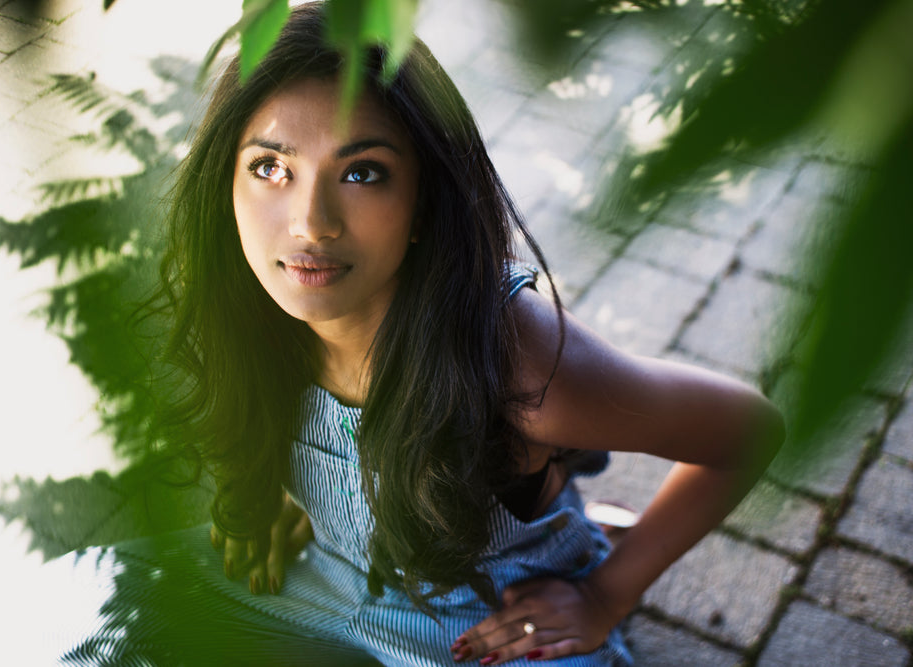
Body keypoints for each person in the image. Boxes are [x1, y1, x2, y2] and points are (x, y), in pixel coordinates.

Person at [60, 3, 785, 665]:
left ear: (424, 199)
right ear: (226, 180)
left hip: (486, 626)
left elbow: (747, 429)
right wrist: (271, 493)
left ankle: (582, 537)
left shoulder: (518, 364)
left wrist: (606, 594)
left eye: (364, 171)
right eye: (271, 167)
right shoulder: (250, 309)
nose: (310, 223)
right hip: (312, 579)